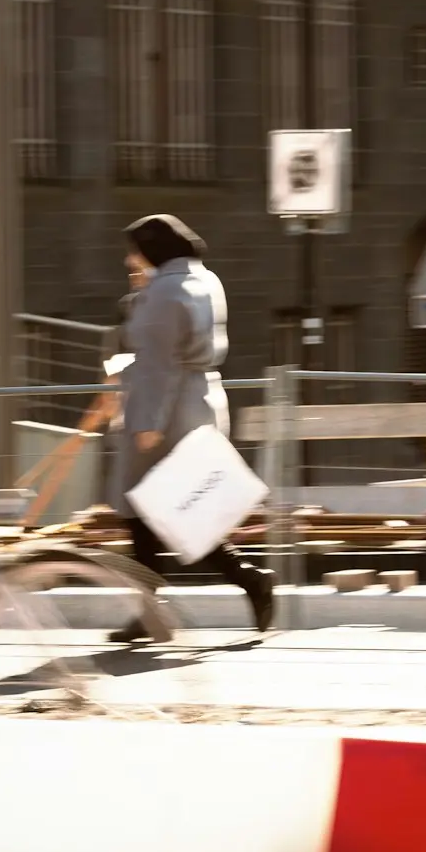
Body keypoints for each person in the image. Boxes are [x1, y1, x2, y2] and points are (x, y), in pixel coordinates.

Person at [105, 214, 274, 641]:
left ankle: (155, 610)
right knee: (180, 507)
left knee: (142, 508)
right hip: (199, 400)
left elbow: (160, 363)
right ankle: (245, 580)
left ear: (151, 249)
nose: (130, 258)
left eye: (134, 250)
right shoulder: (204, 279)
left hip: (165, 408)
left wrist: (146, 424)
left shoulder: (165, 291)